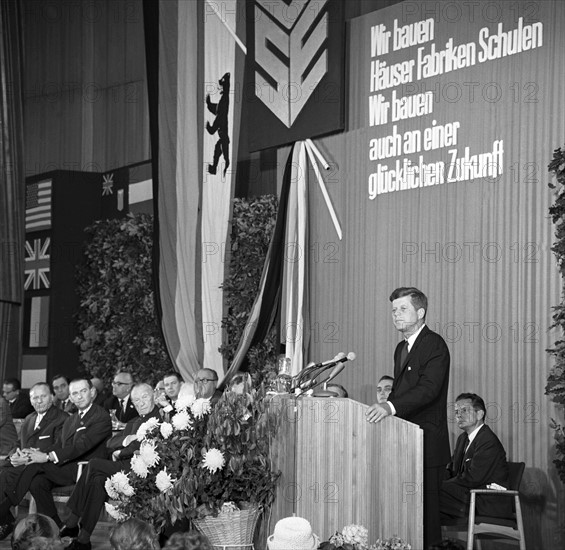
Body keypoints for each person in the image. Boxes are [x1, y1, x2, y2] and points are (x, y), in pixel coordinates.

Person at [366, 287, 450, 548]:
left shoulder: (434, 344)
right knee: (406, 518)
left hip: (427, 445)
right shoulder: (401, 348)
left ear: (420, 312)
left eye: (403, 309)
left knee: (426, 522)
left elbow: (428, 389)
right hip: (405, 444)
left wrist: (389, 407)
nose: (396, 315)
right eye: (393, 310)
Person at [0, 378, 112, 538]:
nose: (79, 396)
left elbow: (81, 446)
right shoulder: (72, 418)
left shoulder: (101, 416)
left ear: (92, 392)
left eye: (83, 391)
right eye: (75, 393)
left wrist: (45, 456)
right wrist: (34, 453)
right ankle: (56, 527)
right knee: (36, 482)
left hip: (84, 470)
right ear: (70, 397)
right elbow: (60, 444)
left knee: (34, 466)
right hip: (65, 466)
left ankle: (3, 509)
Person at [61, 383, 161, 550]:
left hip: (143, 469)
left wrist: (122, 451)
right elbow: (110, 443)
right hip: (124, 466)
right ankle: (83, 540)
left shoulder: (160, 417)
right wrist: (126, 439)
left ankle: (72, 521)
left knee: (94, 464)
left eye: (144, 397)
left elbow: (142, 446)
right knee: (98, 480)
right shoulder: (132, 422)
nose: (141, 403)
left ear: (153, 396)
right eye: (136, 400)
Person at [440, 393, 511, 520]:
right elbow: (452, 471)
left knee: (431, 494)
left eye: (464, 410)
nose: (458, 415)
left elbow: (473, 478)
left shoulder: (487, 440)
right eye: (456, 412)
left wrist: (441, 485)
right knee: (428, 495)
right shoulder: (463, 438)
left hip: (486, 501)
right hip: (469, 496)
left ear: (480, 414)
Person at [0, 383, 68, 500]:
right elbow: (19, 443)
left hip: (46, 467)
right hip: (23, 464)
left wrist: (28, 457)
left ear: (52, 397)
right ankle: (6, 515)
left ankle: (4, 514)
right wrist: (14, 456)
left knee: (7, 474)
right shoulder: (29, 418)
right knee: (4, 470)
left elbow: (59, 446)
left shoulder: (62, 418)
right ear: (30, 401)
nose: (39, 401)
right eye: (35, 398)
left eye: (43, 396)